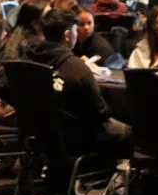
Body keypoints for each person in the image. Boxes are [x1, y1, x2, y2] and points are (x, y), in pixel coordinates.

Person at [26, 9, 130, 155]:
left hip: (40, 134)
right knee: (128, 132)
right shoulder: (77, 68)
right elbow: (100, 112)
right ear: (67, 35)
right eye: (76, 29)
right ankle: (118, 174)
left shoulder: (30, 60)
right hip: (76, 137)